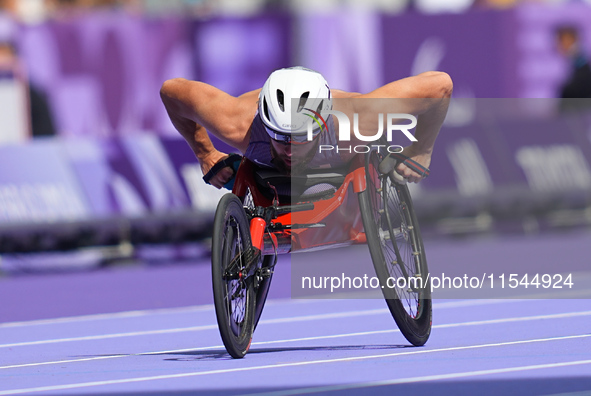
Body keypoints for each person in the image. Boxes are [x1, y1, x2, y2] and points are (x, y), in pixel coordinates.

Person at [160, 67, 452, 188]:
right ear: (266, 124)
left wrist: (422, 150)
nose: (291, 149)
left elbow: (440, 86)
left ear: (321, 122)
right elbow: (171, 91)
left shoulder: (355, 124)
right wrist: (205, 153)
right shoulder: (237, 124)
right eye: (281, 138)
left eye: (302, 137)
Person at [555, 25, 591, 112]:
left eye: (560, 41)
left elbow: (576, 89)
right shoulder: (574, 60)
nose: (557, 45)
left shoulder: (580, 61)